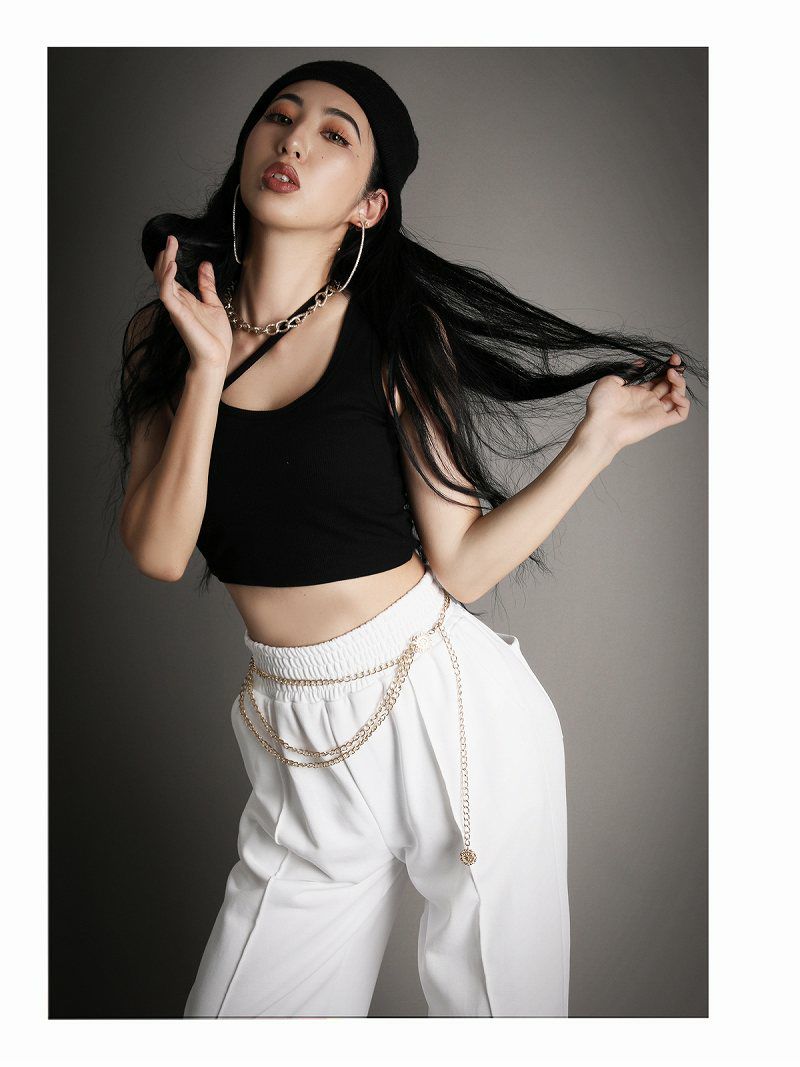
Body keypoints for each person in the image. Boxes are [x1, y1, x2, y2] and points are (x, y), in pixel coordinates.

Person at [109, 59, 704, 1019]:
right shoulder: (166, 331)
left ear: (369, 206)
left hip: (445, 715)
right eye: (279, 116)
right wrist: (208, 367)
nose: (294, 140)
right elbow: (160, 550)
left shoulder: (395, 334)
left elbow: (462, 562)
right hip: (291, 738)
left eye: (333, 134)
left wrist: (593, 441)